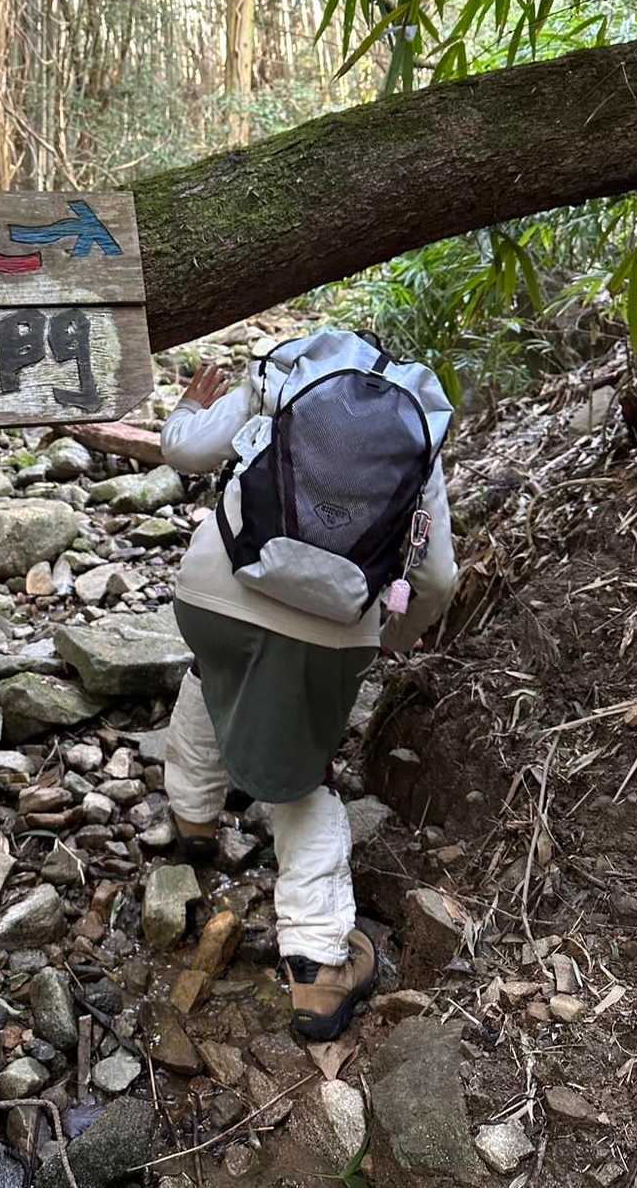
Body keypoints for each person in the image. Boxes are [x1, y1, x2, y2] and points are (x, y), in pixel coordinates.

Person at [159, 351, 458, 1040]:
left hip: (212, 594)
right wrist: (386, 635)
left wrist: (189, 408)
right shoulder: (418, 421)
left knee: (213, 669)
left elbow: (186, 451)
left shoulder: (285, 373)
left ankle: (194, 821)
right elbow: (438, 576)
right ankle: (319, 963)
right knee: (303, 775)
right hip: (331, 627)